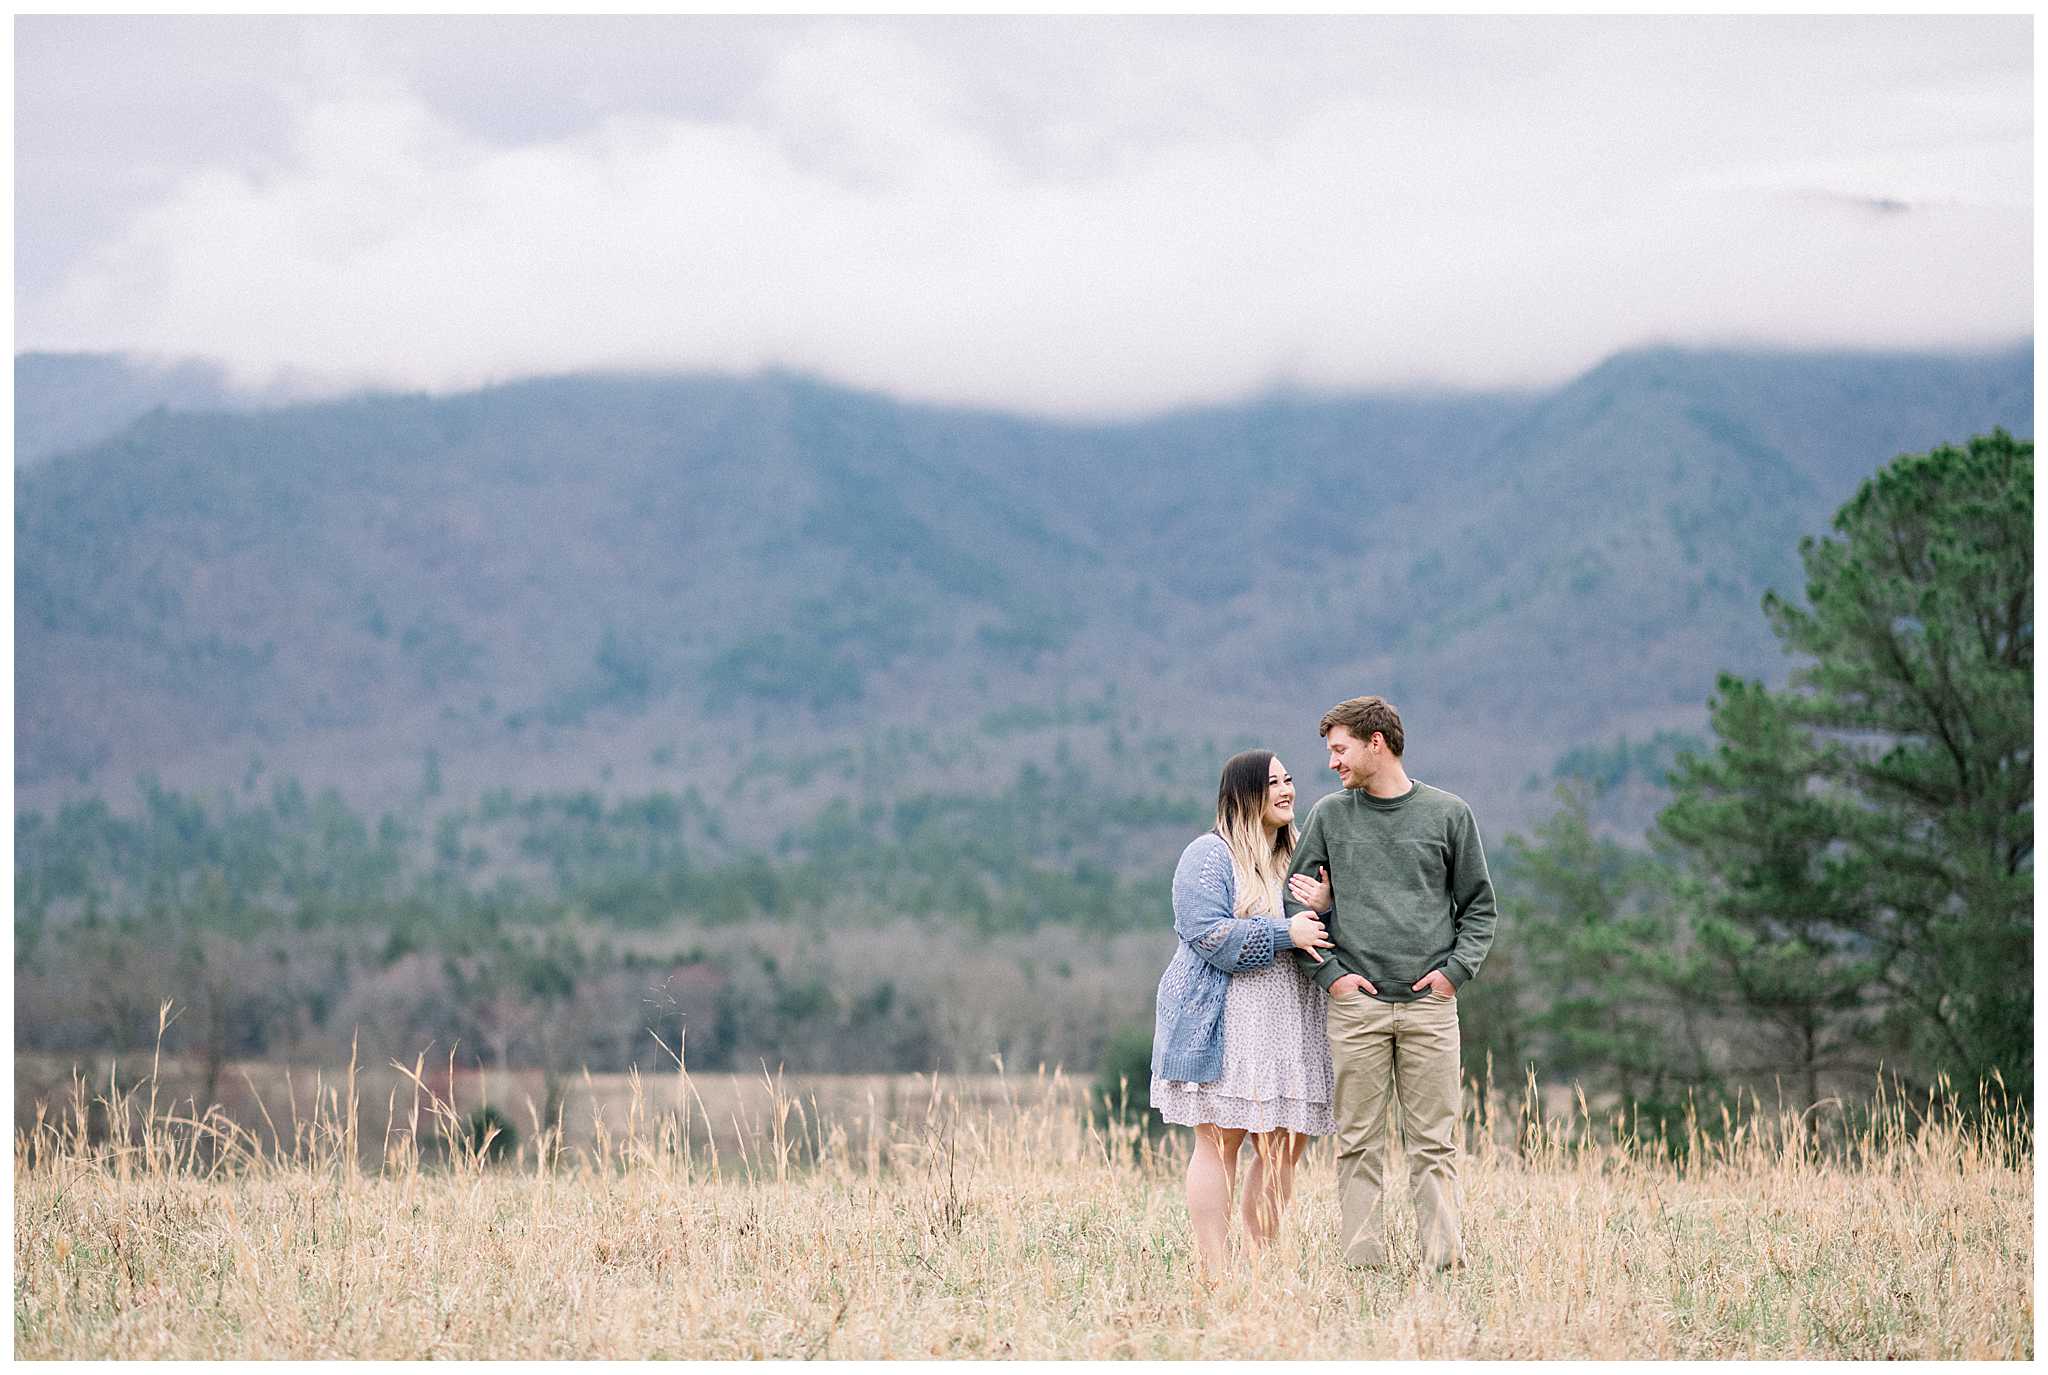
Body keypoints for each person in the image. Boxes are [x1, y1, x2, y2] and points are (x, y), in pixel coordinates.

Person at [1283, 695, 1497, 1271]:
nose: (1332, 763)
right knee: (1358, 1142)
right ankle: (1362, 1265)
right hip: (1358, 1008)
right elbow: (1296, 909)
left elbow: (1479, 909)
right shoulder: (1330, 816)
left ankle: (1442, 1262)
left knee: (1434, 1144)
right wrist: (1331, 978)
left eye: (1339, 749)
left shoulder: (1449, 814)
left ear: (1375, 743)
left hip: (1430, 1008)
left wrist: (1454, 974)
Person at [1150, 749, 1337, 1279]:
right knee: (1220, 1140)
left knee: (1283, 1146)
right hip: (1228, 1021)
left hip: (1292, 1022)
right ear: (1243, 793)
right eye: (1272, 782)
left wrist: (1325, 905)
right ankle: (1214, 1268)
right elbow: (1206, 933)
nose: (1287, 790)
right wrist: (1286, 932)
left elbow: (1331, 932)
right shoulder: (1210, 855)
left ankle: (1258, 1263)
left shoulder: (1299, 854)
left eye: (1289, 779)